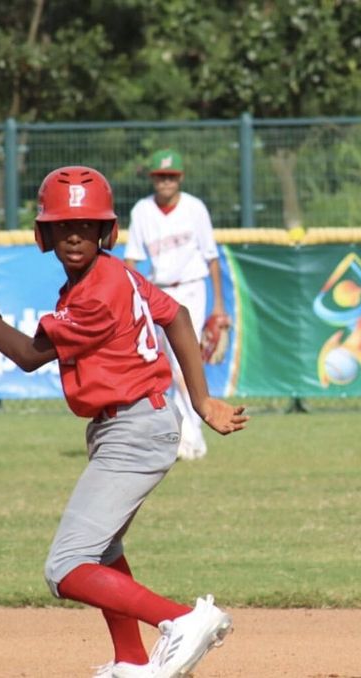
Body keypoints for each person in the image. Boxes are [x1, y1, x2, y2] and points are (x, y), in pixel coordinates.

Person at [0, 165, 248, 678]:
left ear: (106, 232)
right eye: (63, 225)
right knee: (104, 549)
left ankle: (183, 620)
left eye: (87, 225)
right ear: (44, 235)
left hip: (135, 429)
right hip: (132, 424)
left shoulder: (97, 292)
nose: (75, 235)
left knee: (67, 567)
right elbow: (177, 315)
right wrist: (202, 402)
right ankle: (131, 659)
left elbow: (29, 355)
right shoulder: (116, 273)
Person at [124, 148, 229, 462]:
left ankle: (193, 438)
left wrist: (219, 307)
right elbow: (131, 260)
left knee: (185, 363)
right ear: (153, 179)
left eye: (170, 176)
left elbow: (212, 258)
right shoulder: (142, 210)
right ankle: (185, 435)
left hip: (192, 289)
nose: (165, 182)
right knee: (172, 366)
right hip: (158, 292)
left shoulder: (195, 208)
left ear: (180, 178)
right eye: (160, 177)